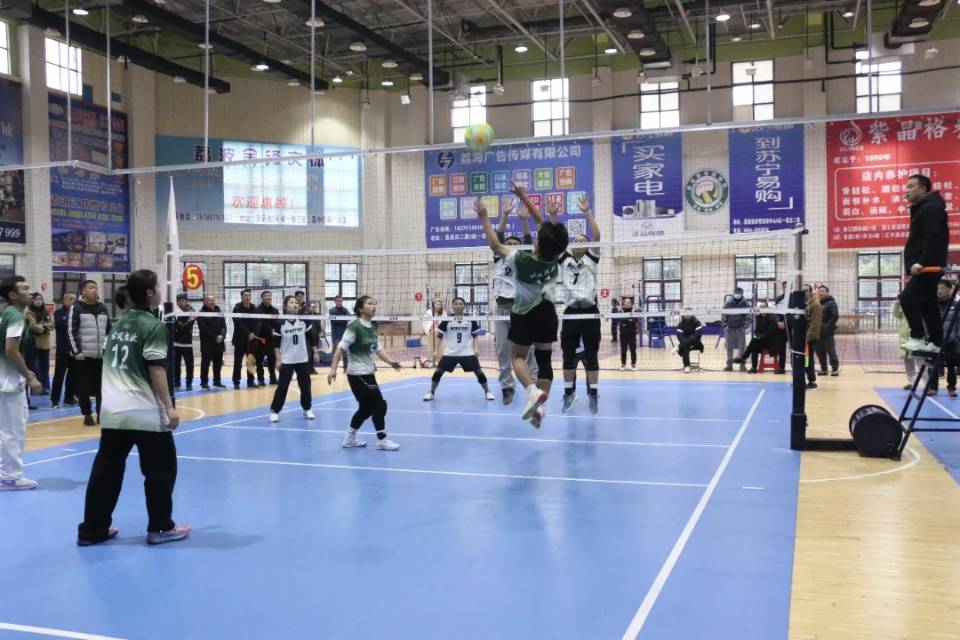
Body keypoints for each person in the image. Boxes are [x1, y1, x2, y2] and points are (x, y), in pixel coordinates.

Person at [77, 270, 189, 546]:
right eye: (157, 287)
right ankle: (160, 528)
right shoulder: (153, 326)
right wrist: (169, 408)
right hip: (144, 412)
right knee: (161, 470)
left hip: (113, 411)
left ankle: (93, 530)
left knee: (106, 470)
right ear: (149, 293)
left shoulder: (118, 325)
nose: (160, 291)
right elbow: (156, 370)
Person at [477, 183, 569, 428]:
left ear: (538, 243)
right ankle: (540, 406)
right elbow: (542, 224)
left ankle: (532, 392)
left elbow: (496, 246)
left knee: (517, 356)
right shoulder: (556, 257)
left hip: (524, 315)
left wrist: (484, 218)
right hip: (548, 314)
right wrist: (523, 196)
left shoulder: (520, 260)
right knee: (544, 360)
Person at [328, 295, 402, 451]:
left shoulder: (372, 327)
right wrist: (333, 369)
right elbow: (340, 349)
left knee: (365, 409)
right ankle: (382, 439)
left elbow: (379, 350)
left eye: (374, 304)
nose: (373, 306)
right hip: (357, 374)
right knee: (379, 405)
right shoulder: (354, 327)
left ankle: (349, 438)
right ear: (360, 308)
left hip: (368, 373)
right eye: (369, 304)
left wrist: (391, 362)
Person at [558, 195, 601, 415]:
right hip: (571, 313)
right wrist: (554, 216)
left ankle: (593, 393)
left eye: (583, 240)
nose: (578, 242)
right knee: (568, 357)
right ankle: (568, 393)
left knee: (592, 357)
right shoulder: (564, 260)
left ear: (587, 247)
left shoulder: (592, 259)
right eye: (575, 240)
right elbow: (556, 239)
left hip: (590, 313)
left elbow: (597, 236)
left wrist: (587, 212)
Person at [491, 201, 537, 405]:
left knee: (529, 349)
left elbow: (527, 240)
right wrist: (505, 215)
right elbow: (498, 236)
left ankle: (532, 385)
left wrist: (524, 220)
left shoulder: (524, 257)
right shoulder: (499, 257)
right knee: (502, 350)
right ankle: (507, 387)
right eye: (508, 242)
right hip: (502, 309)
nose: (510, 244)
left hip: (522, 309)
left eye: (514, 242)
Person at [0, 276, 43, 491]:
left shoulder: (6, 313)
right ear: (13, 295)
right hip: (7, 382)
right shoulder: (16, 316)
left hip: (5, 378)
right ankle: (10, 477)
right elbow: (10, 350)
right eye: (25, 288)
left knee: (6, 429)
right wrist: (29, 376)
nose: (31, 291)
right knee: (13, 430)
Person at [900, 174, 949, 353]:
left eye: (911, 186)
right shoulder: (923, 207)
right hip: (926, 266)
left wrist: (922, 262)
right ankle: (936, 342)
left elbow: (933, 237)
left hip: (927, 267)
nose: (907, 190)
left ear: (923, 188)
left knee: (907, 298)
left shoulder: (930, 207)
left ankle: (918, 336)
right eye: (906, 187)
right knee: (928, 304)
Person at [422, 296, 495, 402]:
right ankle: (431, 392)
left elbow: (475, 337)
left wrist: (476, 348)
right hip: (450, 353)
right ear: (453, 306)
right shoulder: (447, 320)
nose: (458, 306)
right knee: (438, 372)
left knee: (479, 372)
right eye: (456, 304)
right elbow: (439, 337)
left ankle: (487, 391)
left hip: (467, 352)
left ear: (464, 306)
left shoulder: (470, 320)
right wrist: (435, 351)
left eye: (460, 304)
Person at [68, 280, 111, 426]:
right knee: (84, 388)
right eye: (91, 288)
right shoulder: (76, 308)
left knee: (102, 387)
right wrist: (77, 351)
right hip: (83, 357)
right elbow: (71, 331)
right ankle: (87, 413)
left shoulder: (103, 308)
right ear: (83, 291)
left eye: (96, 288)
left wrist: (108, 349)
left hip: (101, 356)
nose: (95, 290)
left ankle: (101, 413)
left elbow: (108, 330)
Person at [269, 295, 315, 422]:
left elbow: (311, 338)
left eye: (296, 303)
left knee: (305, 386)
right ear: (285, 306)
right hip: (287, 360)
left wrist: (315, 351)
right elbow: (276, 344)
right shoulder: (280, 323)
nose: (294, 304)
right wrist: (278, 359)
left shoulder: (304, 321)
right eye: (291, 302)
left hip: (302, 359)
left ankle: (307, 409)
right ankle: (274, 410)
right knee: (282, 387)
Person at [927, 280, 960, 397]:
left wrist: (957, 336)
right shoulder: (932, 305)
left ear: (949, 289)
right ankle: (932, 387)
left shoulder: (956, 305)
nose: (939, 291)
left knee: (951, 365)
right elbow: (927, 322)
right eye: (938, 288)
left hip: (951, 341)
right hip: (935, 340)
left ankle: (951, 388)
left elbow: (959, 323)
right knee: (933, 364)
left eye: (942, 288)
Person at [51, 292, 78, 408]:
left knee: (73, 376)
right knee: (59, 376)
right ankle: (55, 400)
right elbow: (63, 324)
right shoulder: (58, 313)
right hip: (62, 350)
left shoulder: (77, 313)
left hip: (74, 350)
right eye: (71, 299)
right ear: (64, 300)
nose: (73, 301)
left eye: (75, 299)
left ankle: (69, 398)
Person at [25, 293, 54, 394]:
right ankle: (36, 389)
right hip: (33, 344)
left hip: (45, 344)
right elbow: (32, 326)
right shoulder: (29, 312)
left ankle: (46, 387)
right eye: (36, 299)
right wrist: (45, 327)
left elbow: (52, 324)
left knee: (45, 367)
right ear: (32, 301)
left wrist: (42, 326)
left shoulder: (47, 312)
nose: (38, 301)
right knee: (35, 368)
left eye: (40, 299)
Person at [197, 294, 226, 389]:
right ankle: (204, 382)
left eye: (213, 300)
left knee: (218, 364)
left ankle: (217, 381)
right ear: (205, 302)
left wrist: (222, 335)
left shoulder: (219, 311)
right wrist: (215, 337)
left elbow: (224, 326)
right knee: (205, 364)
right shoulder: (201, 313)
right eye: (209, 300)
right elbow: (204, 329)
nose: (212, 302)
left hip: (219, 343)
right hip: (207, 343)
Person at [231, 289, 259, 389]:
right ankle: (236, 382)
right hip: (240, 339)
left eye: (249, 295)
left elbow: (258, 322)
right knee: (238, 362)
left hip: (252, 340)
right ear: (241, 297)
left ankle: (250, 381)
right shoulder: (236, 308)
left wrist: (254, 333)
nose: (247, 297)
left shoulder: (254, 307)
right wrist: (249, 333)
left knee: (251, 361)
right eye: (245, 295)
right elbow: (238, 323)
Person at [892, 296, 921, 391]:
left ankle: (927, 383)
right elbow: (896, 314)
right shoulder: (905, 305)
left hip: (917, 336)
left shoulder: (920, 303)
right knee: (908, 361)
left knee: (920, 361)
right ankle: (912, 383)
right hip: (905, 338)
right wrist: (897, 303)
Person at [254, 291, 279, 385]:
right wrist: (271, 330)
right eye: (266, 296)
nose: (268, 297)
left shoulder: (275, 310)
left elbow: (277, 323)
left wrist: (275, 331)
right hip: (260, 339)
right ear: (262, 298)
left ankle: (273, 378)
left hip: (272, 339)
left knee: (272, 360)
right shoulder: (257, 310)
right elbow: (260, 323)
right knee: (259, 360)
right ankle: (260, 379)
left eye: (269, 296)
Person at [722, 287, 750, 372]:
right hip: (729, 329)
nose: (737, 294)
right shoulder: (728, 303)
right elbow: (724, 315)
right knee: (729, 348)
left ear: (742, 294)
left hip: (740, 330)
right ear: (733, 293)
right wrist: (725, 325)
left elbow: (749, 317)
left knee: (742, 349)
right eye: (736, 292)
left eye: (739, 293)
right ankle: (729, 366)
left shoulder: (746, 304)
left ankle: (742, 366)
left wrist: (744, 327)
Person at [172, 294, 196, 390]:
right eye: (179, 301)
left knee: (189, 365)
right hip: (176, 343)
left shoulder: (192, 311)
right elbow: (174, 325)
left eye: (183, 301)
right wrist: (182, 325)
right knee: (176, 365)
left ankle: (189, 383)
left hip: (187, 343)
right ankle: (177, 382)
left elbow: (184, 327)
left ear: (186, 301)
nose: (181, 303)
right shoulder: (174, 311)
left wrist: (179, 325)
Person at [816, 285, 841, 376]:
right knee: (819, 352)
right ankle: (824, 369)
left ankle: (835, 369)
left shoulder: (831, 303)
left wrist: (828, 327)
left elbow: (835, 316)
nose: (821, 293)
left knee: (831, 351)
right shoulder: (818, 303)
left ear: (827, 292)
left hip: (828, 333)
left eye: (823, 291)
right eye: (819, 291)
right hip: (818, 332)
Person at [805, 285, 822, 390]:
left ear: (811, 292)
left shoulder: (815, 305)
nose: (804, 293)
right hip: (803, 337)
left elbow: (815, 324)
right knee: (804, 360)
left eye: (806, 291)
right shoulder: (804, 304)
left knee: (808, 359)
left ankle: (812, 381)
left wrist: (807, 337)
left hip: (810, 338)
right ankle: (803, 379)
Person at [328, 295, 351, 372]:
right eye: (338, 301)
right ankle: (333, 368)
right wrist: (344, 319)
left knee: (345, 352)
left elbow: (349, 319)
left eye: (341, 301)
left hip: (344, 334)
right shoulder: (332, 310)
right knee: (335, 351)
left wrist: (345, 319)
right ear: (335, 302)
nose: (339, 302)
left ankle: (346, 368)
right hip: (335, 334)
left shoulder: (345, 310)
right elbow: (335, 321)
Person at [617, 296, 639, 370]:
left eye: (628, 302)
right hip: (623, 334)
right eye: (626, 302)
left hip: (632, 334)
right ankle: (623, 364)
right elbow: (621, 320)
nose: (627, 303)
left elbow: (634, 321)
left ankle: (633, 365)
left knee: (633, 350)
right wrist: (629, 320)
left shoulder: (634, 311)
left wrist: (626, 321)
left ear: (631, 303)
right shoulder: (620, 311)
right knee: (623, 350)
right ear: (623, 303)